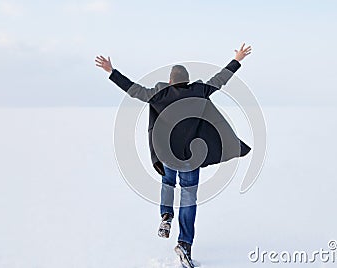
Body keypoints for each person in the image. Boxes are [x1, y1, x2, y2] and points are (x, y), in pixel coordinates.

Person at [95, 43, 251, 268]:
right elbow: (220, 79)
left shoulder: (159, 94)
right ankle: (184, 244)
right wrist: (237, 59)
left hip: (168, 154)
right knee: (188, 199)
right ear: (186, 80)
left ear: (170, 81)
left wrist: (111, 71)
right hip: (191, 158)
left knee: (168, 181)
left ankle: (166, 215)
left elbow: (133, 89)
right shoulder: (199, 91)